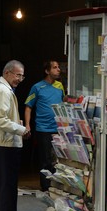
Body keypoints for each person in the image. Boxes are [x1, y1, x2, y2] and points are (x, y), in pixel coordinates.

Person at [0, 60, 31, 211]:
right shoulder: (2, 91)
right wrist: (21, 129)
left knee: (0, 182)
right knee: (7, 183)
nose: (20, 79)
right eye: (17, 75)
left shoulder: (1, 88)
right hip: (4, 143)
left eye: (22, 75)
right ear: (7, 73)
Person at [24, 60, 65, 191]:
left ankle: (56, 186)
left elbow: (64, 103)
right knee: (45, 159)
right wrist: (27, 125)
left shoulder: (60, 86)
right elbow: (28, 107)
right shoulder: (37, 87)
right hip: (43, 129)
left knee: (58, 159)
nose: (58, 69)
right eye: (54, 67)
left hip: (59, 128)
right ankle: (46, 187)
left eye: (58, 67)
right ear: (47, 71)